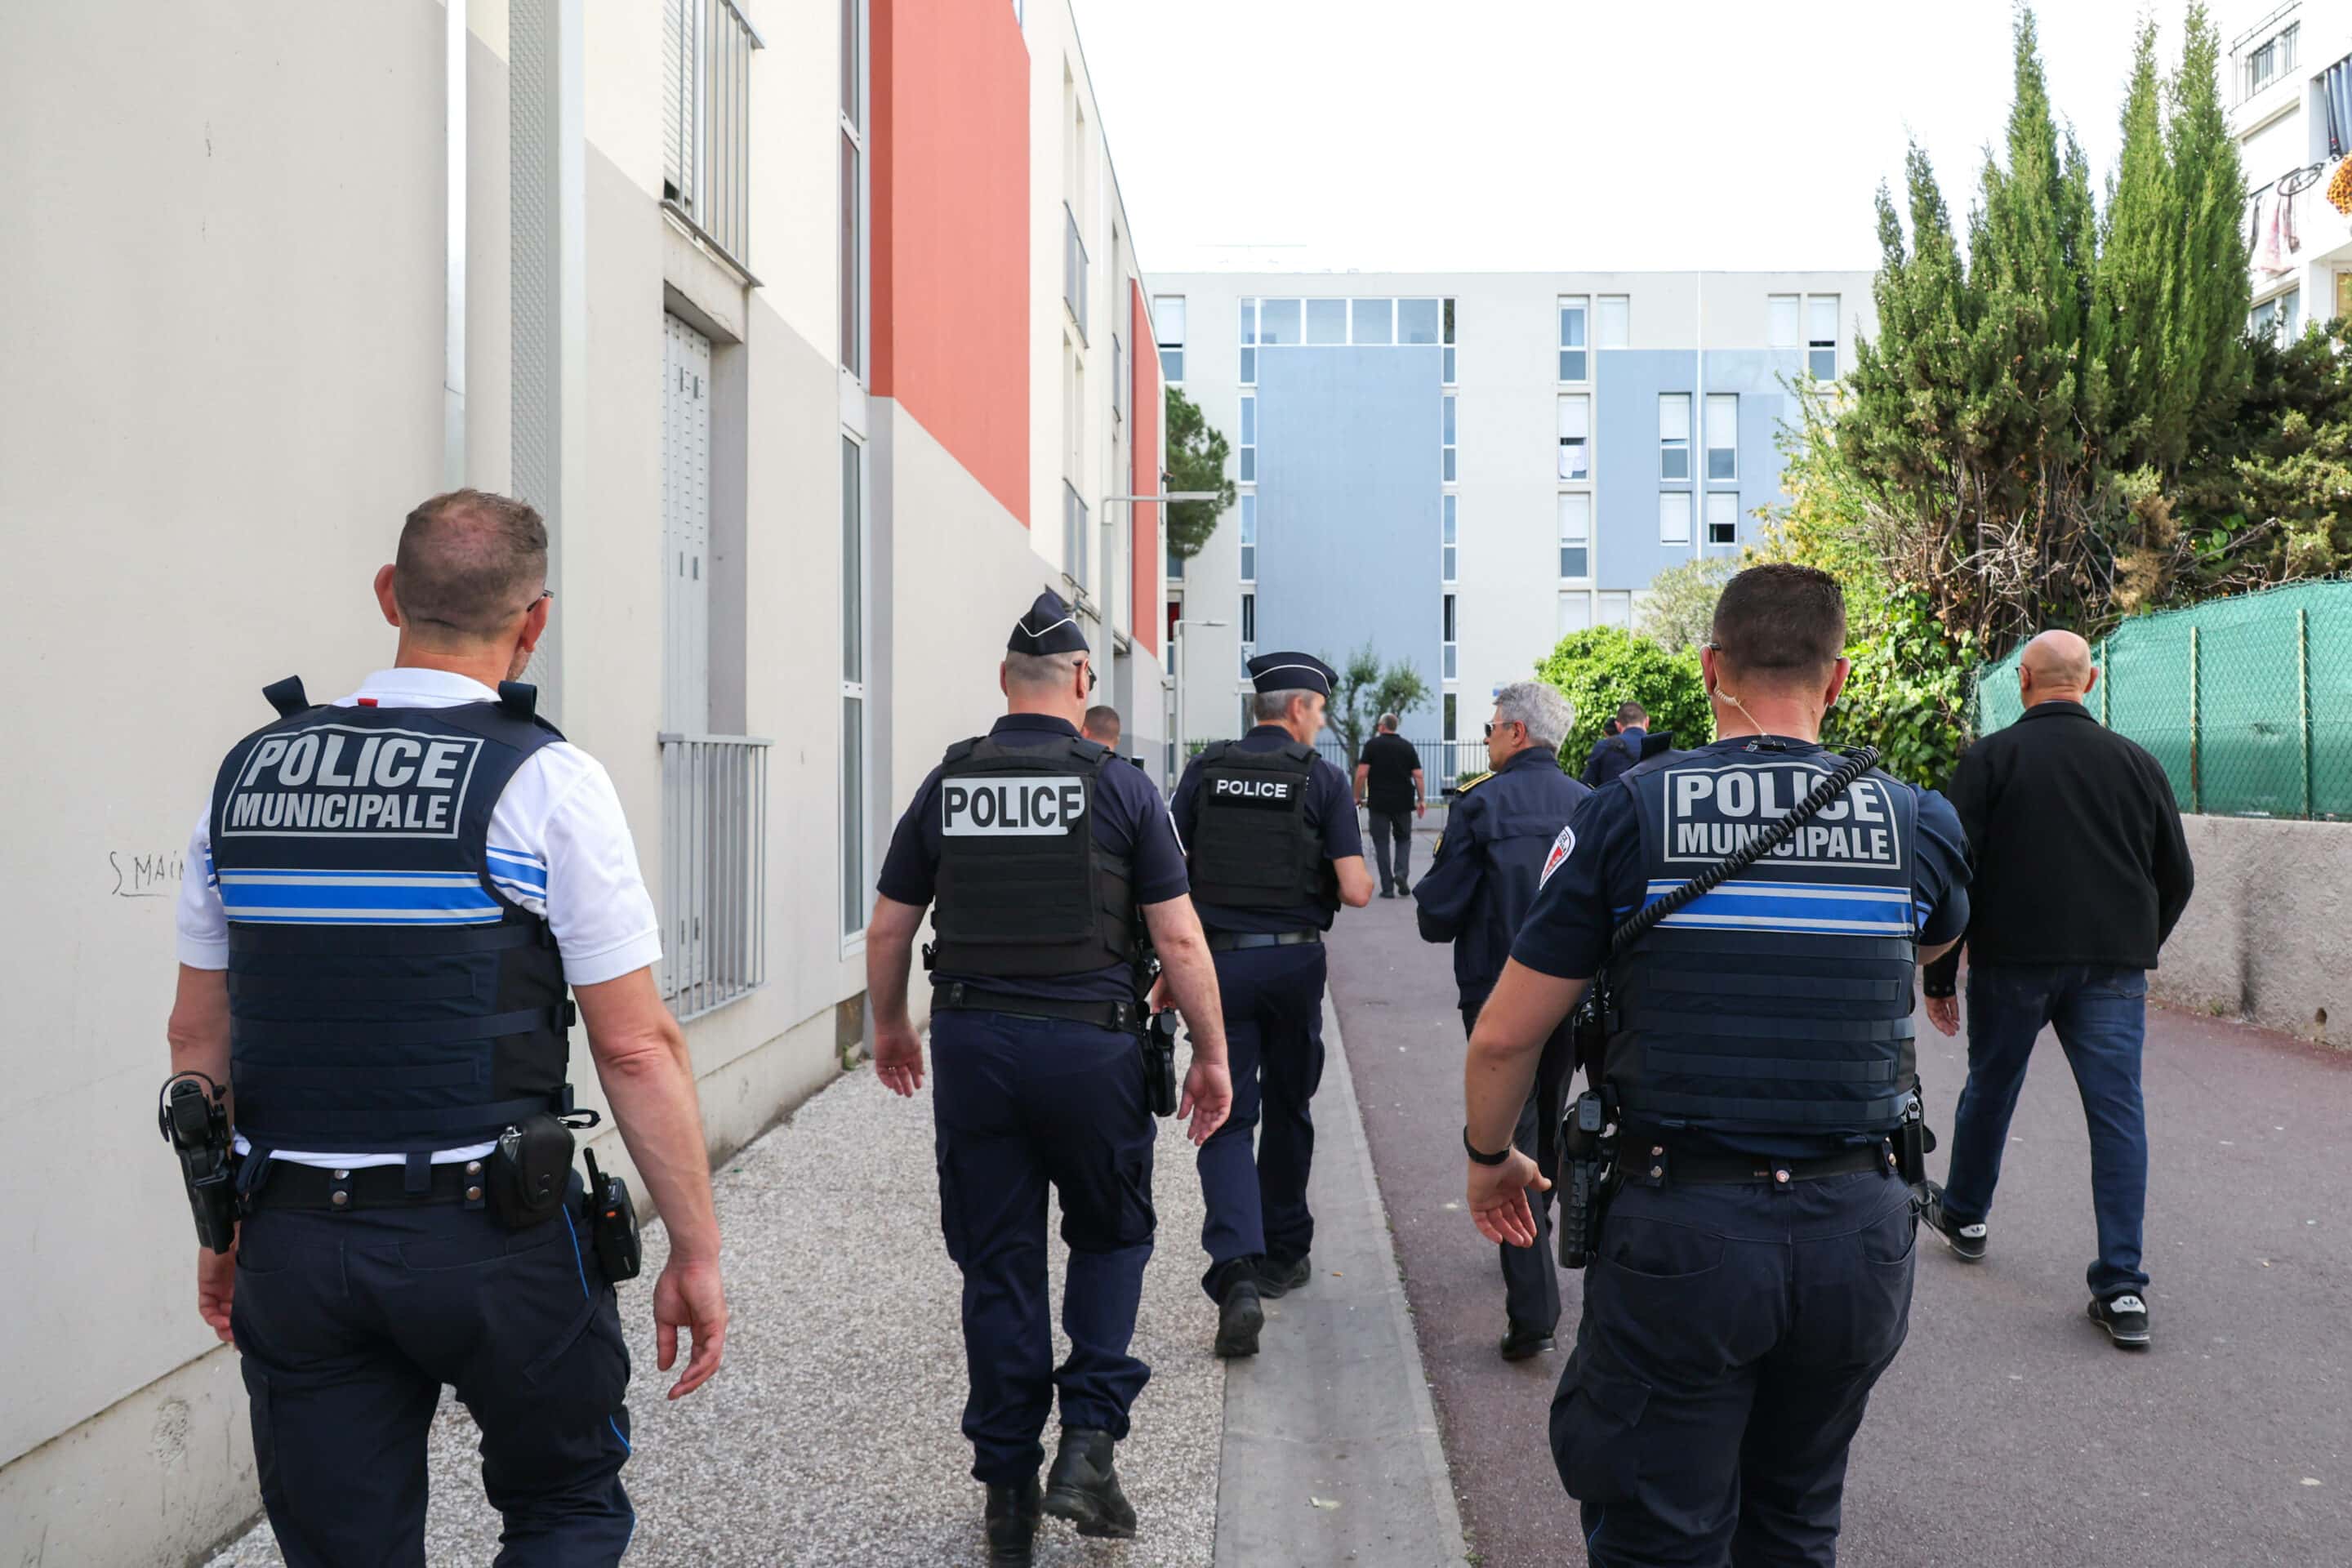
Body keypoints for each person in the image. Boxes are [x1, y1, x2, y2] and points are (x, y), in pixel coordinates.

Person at [167, 490, 728, 1567]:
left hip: (296, 1239)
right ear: (537, 621)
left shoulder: (246, 777)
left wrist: (220, 1230)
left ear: (390, 596)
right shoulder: (547, 782)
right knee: (566, 1509)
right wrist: (693, 1249)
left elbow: (197, 1043)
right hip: (496, 1238)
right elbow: (634, 1045)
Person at [1462, 564, 1970, 1567]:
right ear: (1838, 679)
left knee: (1659, 1534)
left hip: (1680, 1229)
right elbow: (1921, 949)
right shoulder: (1916, 820)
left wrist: (1489, 1158)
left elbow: (1506, 1035)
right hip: (1857, 1235)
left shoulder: (1629, 812)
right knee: (1793, 1521)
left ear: (1709, 671)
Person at [866, 592, 1233, 1566]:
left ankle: (1006, 1500)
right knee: (1112, 1236)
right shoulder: (1120, 788)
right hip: (1092, 1050)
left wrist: (891, 1025)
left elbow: (892, 927)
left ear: (1003, 684)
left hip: (976, 1052)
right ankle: (1089, 1445)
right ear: (1083, 680)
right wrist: (1213, 1052)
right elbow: (1180, 936)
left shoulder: (950, 782)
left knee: (998, 1263)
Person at [1919, 630, 2194, 1350]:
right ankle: (2123, 1289)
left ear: (2024, 683)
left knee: (1991, 1086)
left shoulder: (1989, 760)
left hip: (2012, 962)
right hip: (2113, 969)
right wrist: (2138, 944)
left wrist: (1941, 974)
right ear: (2092, 681)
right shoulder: (2139, 764)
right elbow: (2179, 875)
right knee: (2117, 1116)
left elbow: (1954, 875)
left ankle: (1967, 1216)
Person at [1170, 653, 1376, 1357]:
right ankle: (1284, 1253)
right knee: (1290, 1106)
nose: (1319, 724)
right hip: (1292, 961)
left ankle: (1235, 1271)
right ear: (1298, 711)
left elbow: (1166, 875)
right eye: (1318, 712)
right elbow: (1355, 890)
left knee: (1225, 1110)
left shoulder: (1203, 770)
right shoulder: (1317, 778)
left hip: (1217, 965)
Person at [1412, 680, 1589, 1360]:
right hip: (1575, 997)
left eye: (1490, 728)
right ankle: (1540, 1243)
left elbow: (1437, 916)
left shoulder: (1480, 806)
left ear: (1517, 732)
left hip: (1497, 995)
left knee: (1506, 1134)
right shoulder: (1592, 804)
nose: (1486, 738)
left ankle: (1535, 1313)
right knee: (1547, 1117)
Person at [1353, 713, 1425, 898]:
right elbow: (1418, 775)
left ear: (1382, 726)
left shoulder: (1372, 745)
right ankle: (1401, 873)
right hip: (1403, 802)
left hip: (1379, 803)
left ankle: (1387, 888)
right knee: (1403, 840)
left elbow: (1361, 774)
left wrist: (1356, 796)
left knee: (1381, 843)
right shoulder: (1407, 747)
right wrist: (1421, 800)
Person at [1579, 701, 1650, 788]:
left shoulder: (1604, 747)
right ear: (1647, 722)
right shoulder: (1661, 747)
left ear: (1618, 725)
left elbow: (1587, 786)